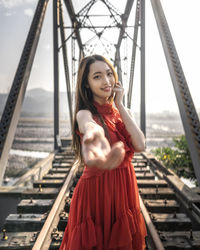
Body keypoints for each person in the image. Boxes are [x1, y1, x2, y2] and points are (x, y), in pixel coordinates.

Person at [60, 54, 147, 250]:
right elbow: (88, 125)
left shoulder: (124, 113)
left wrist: (120, 104)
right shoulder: (84, 113)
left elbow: (140, 144)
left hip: (124, 188)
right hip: (96, 192)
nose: (107, 81)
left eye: (109, 74)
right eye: (97, 76)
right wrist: (94, 133)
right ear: (87, 84)